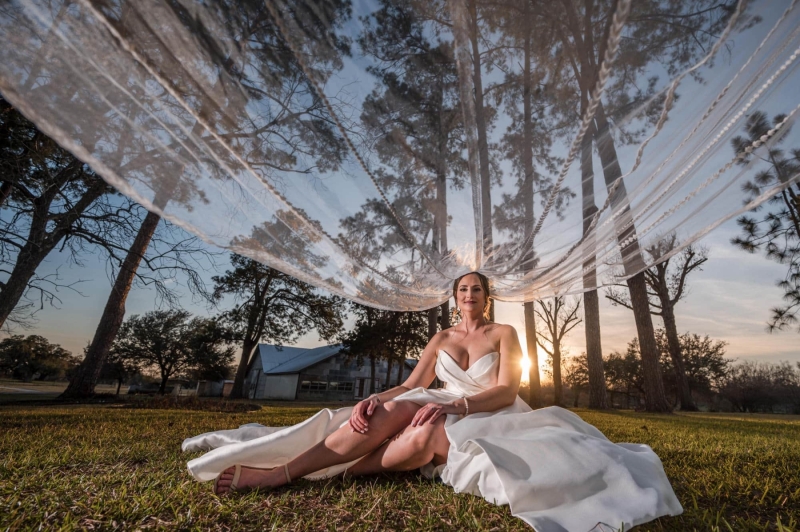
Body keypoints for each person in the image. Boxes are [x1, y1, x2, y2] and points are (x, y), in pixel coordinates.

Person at [183, 272, 683, 531]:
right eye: (463, 289)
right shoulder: (440, 337)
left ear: (487, 297)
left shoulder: (505, 332)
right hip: (431, 399)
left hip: (487, 409)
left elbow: (509, 389)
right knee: (394, 410)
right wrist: (370, 400)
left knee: (425, 438)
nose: (470, 294)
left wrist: (458, 407)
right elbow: (408, 384)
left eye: (477, 289)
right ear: (454, 297)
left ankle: (331, 473)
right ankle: (278, 475)